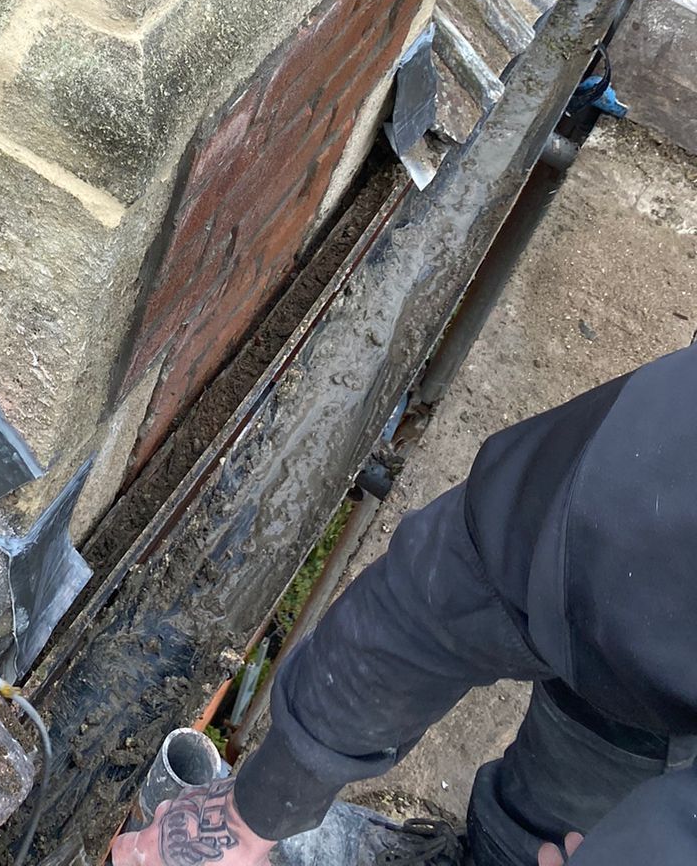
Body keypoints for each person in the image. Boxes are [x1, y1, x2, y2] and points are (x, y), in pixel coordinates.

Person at [111, 345, 697, 866]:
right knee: (585, 756)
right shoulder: (651, 499)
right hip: (646, 623)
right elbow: (445, 597)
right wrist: (253, 811)